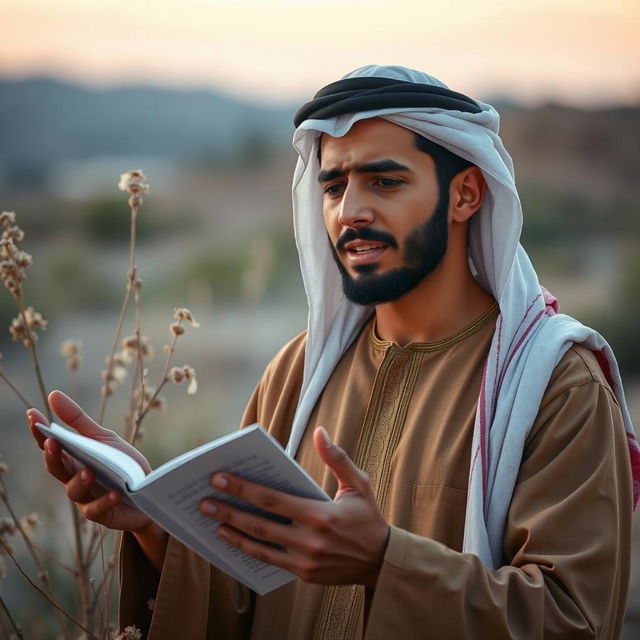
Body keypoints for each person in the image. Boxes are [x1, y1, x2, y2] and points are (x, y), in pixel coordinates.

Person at [28, 65, 639, 639]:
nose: (351, 211)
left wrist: (384, 560)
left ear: (466, 194)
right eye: (334, 185)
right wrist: (156, 522)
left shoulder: (556, 385)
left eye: (386, 181)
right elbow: (249, 590)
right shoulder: (298, 374)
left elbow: (573, 618)